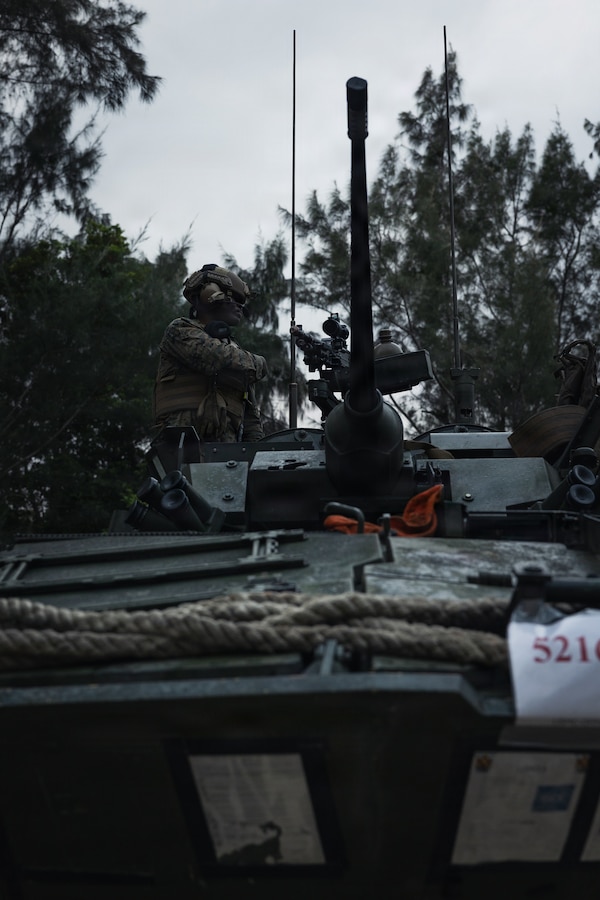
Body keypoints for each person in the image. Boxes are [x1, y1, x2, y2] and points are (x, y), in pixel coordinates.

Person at [154, 264, 268, 441]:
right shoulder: (180, 330)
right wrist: (259, 363)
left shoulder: (233, 347)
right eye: (234, 298)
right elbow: (216, 357)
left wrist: (256, 450)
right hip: (183, 444)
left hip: (228, 450)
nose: (240, 307)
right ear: (209, 295)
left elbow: (250, 416)